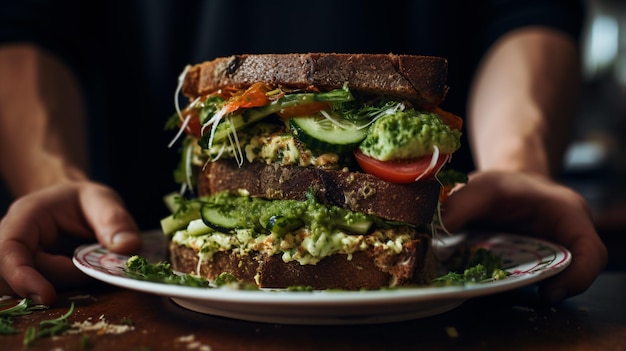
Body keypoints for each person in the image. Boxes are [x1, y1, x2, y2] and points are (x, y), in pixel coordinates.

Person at [0, 0, 606, 305]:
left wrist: (517, 164)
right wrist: (52, 174)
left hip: (453, 278)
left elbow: (527, 11)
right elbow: (28, 19)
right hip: (132, 271)